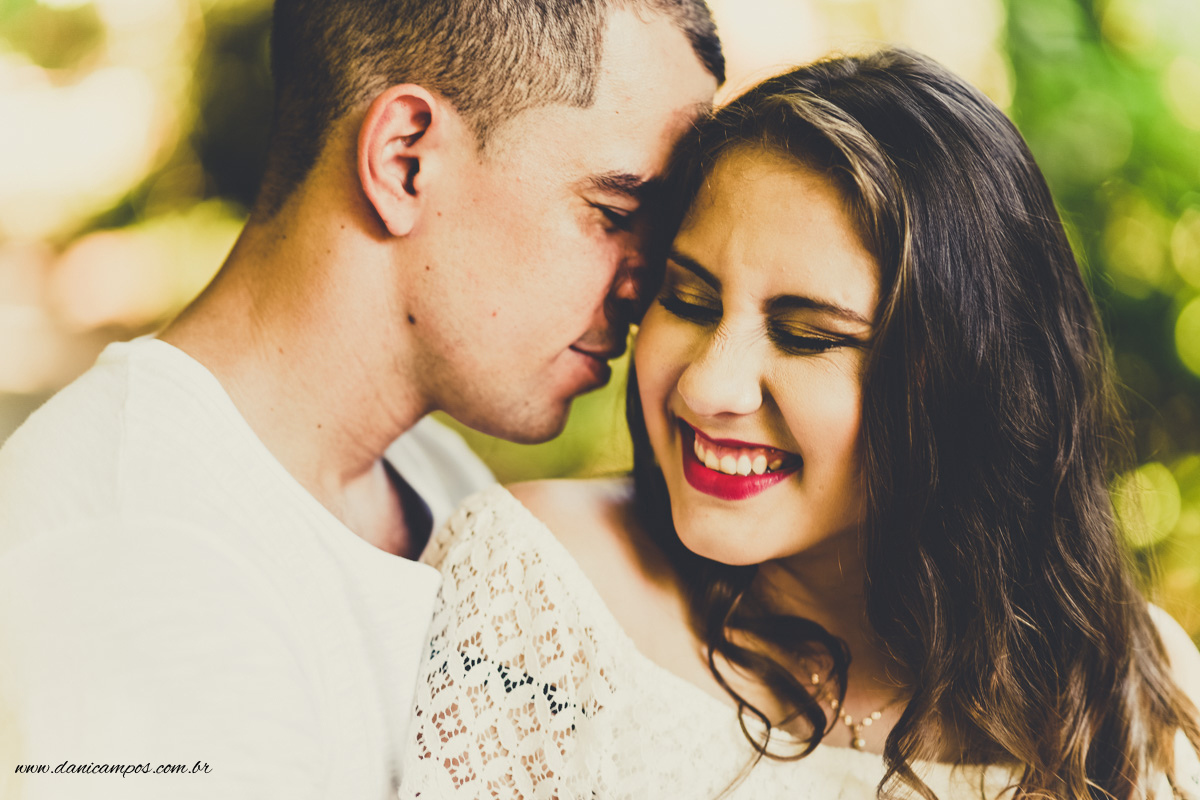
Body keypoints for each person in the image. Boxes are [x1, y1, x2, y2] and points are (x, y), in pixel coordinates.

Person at [397, 47, 1200, 799]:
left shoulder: (1134, 685)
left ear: (968, 383)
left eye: (810, 335)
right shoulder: (540, 583)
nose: (710, 385)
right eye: (689, 300)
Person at [0, 1, 722, 797]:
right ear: (405, 159)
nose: (649, 282)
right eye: (615, 214)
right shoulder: (131, 567)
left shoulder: (440, 480)